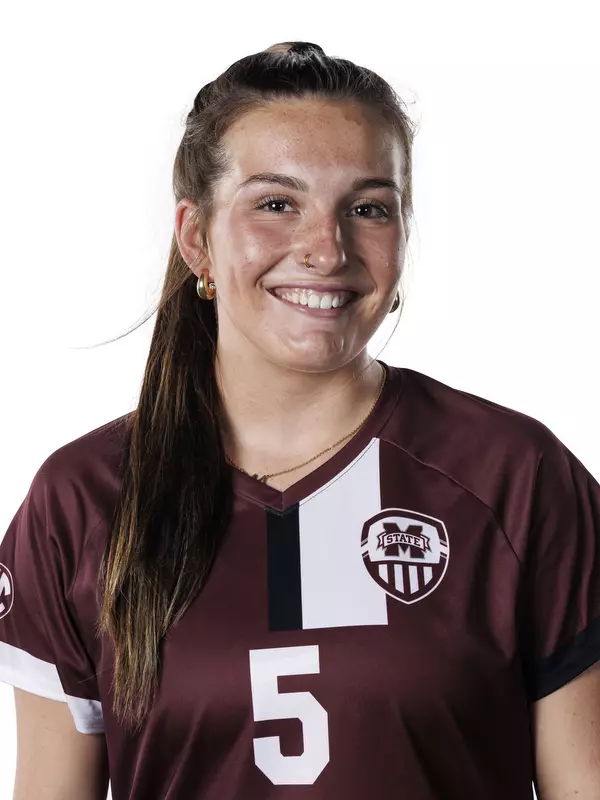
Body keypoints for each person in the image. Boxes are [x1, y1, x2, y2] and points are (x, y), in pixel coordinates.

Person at [1, 40, 599, 800]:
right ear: (197, 239)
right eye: (277, 203)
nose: (326, 248)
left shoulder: (513, 477)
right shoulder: (83, 501)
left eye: (368, 207)